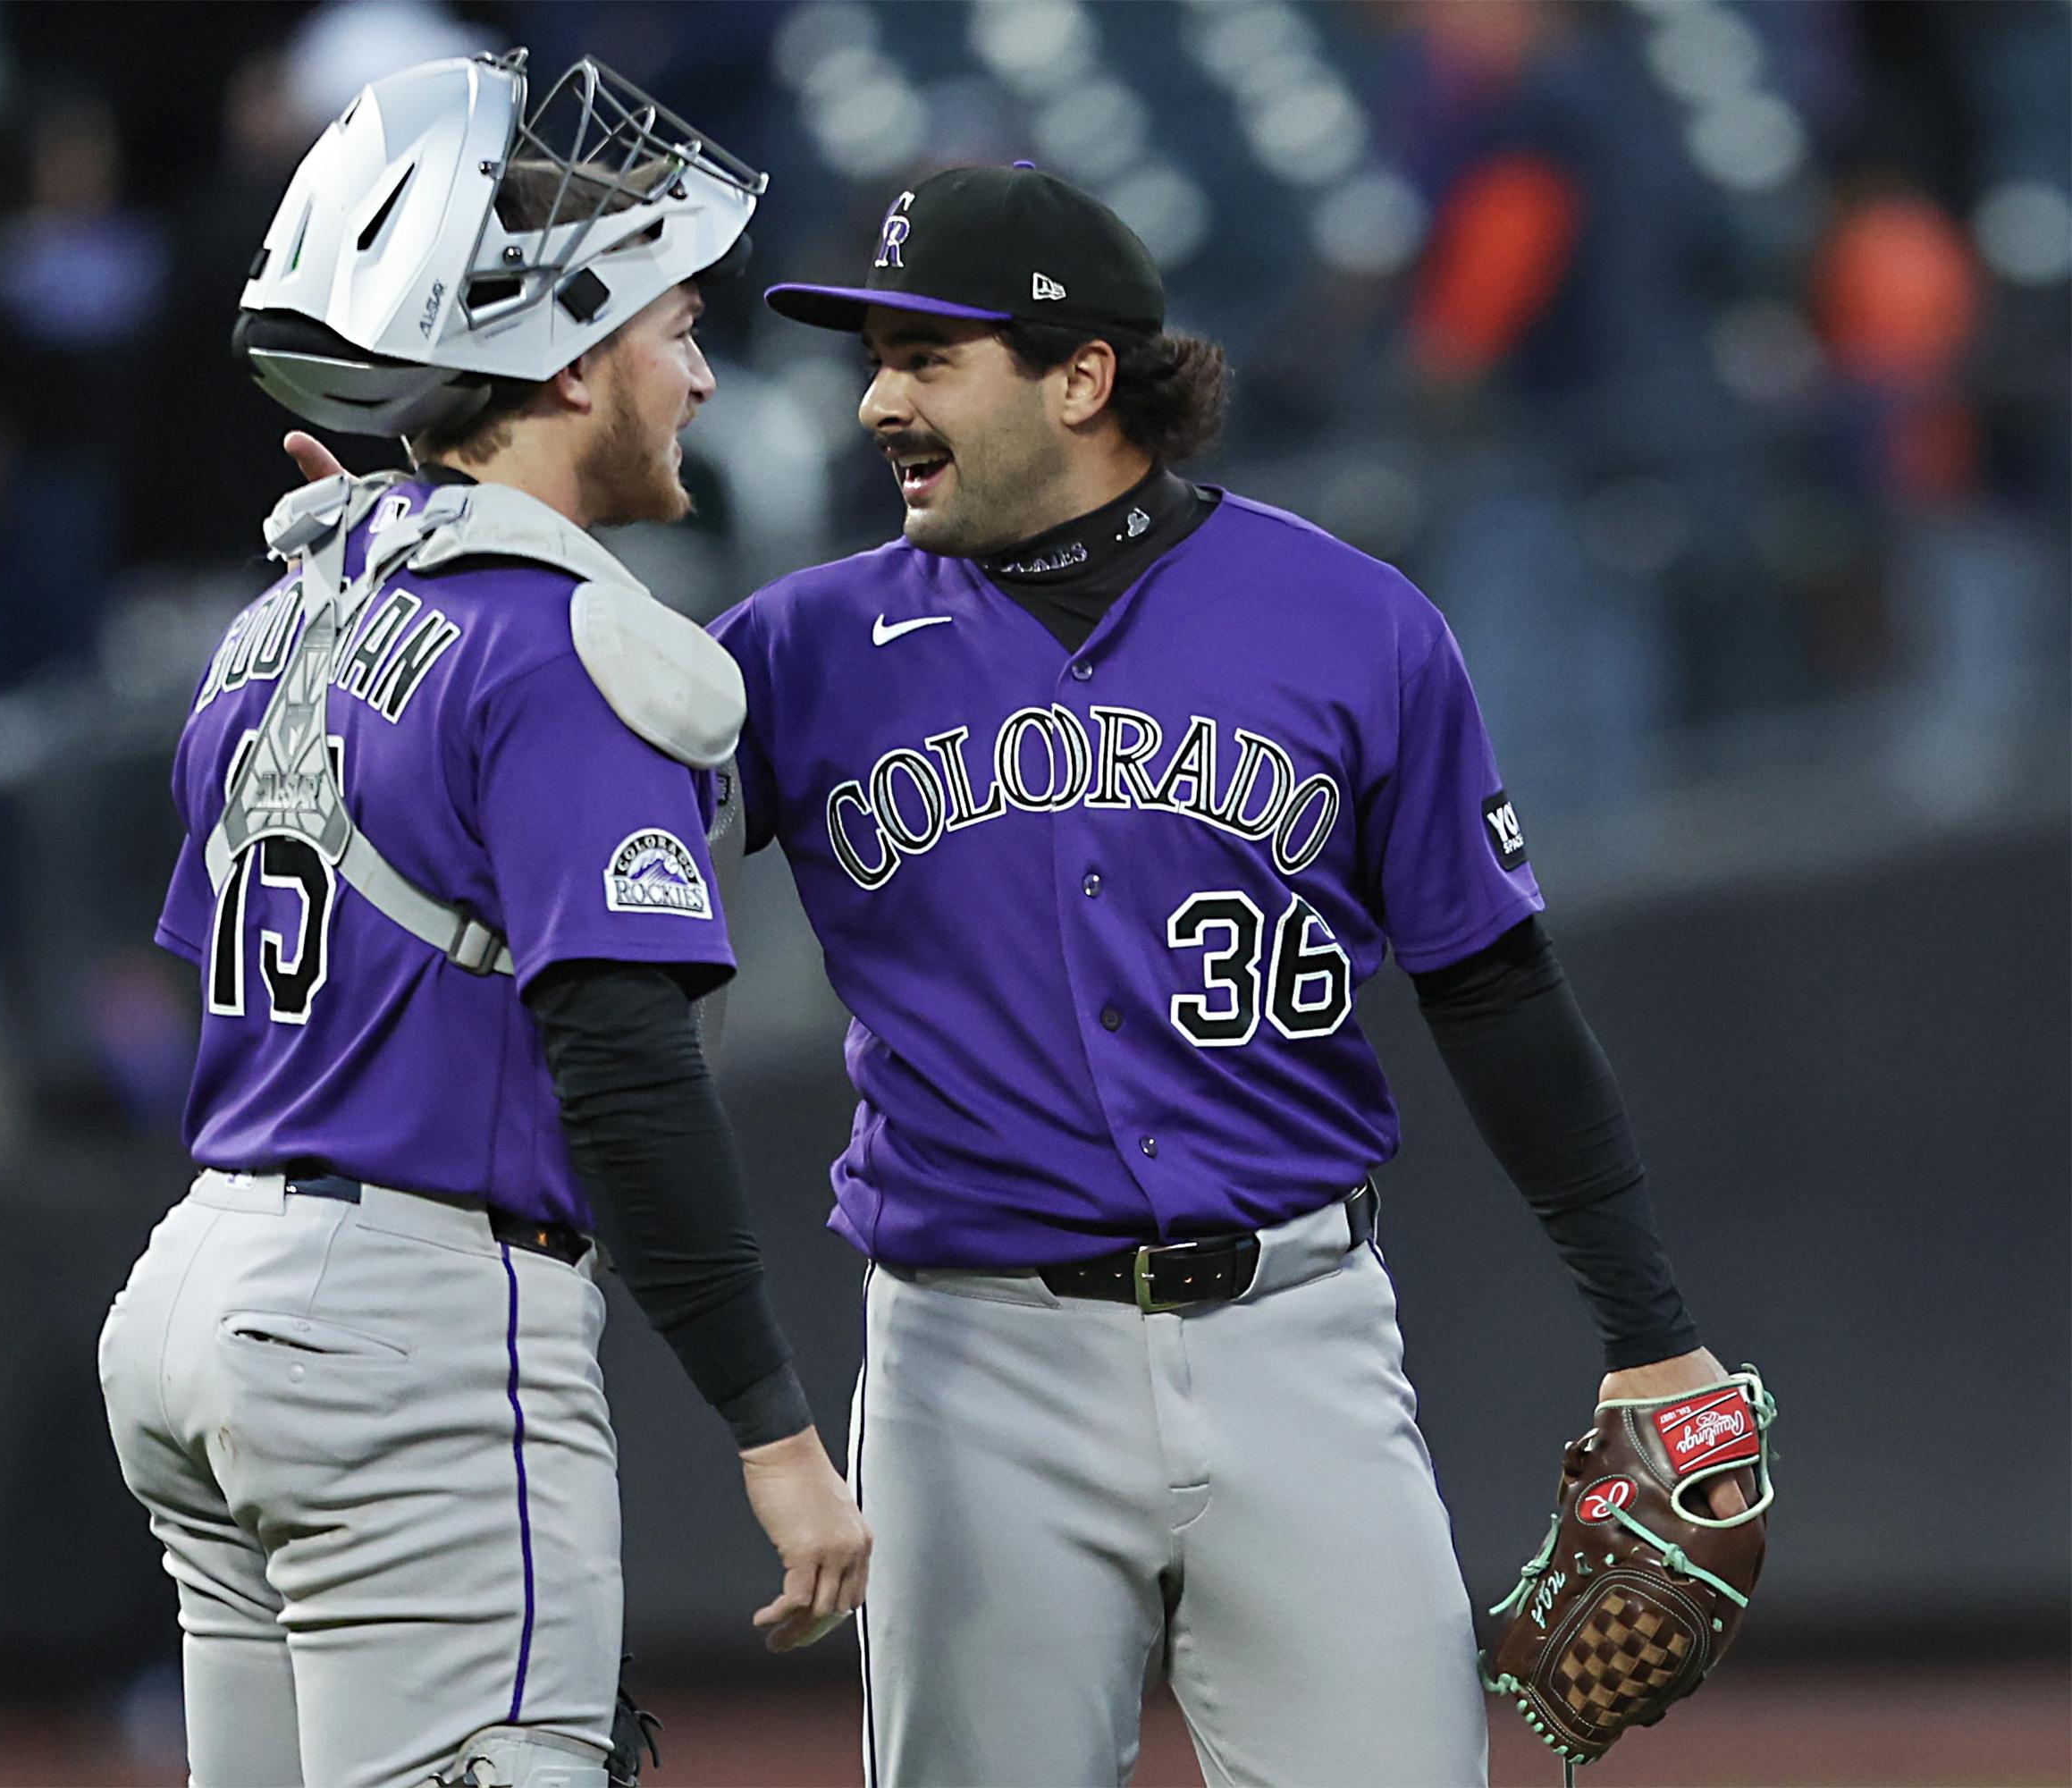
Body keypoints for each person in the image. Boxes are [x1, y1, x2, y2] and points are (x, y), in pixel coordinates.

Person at [703, 163, 1755, 1786]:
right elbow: (574, 906)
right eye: (875, 358)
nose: (877, 402)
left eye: (925, 357)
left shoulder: (1356, 624)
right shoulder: (791, 650)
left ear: (1079, 375)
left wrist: (1652, 1328)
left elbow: (1493, 987)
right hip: (971, 1363)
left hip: (1302, 1334)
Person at [98, 51, 868, 1788]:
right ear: (572, 353)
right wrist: (771, 1429)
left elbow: (215, 974)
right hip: (407, 1326)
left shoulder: (280, 612)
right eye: (674, 324)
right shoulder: (553, 639)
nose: (698, 371)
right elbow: (623, 1066)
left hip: (197, 1292)